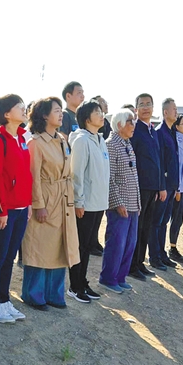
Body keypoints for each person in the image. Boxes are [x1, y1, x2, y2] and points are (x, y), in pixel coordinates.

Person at [21, 97, 80, 310]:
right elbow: (33, 176)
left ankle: (54, 293)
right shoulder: (36, 143)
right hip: (46, 197)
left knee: (59, 247)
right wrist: (39, 204)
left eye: (60, 110)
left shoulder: (62, 140)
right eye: (56, 110)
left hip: (63, 199)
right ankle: (33, 294)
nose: (61, 113)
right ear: (45, 115)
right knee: (39, 246)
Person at [0, 95, 31, 324]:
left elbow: (26, 173)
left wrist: (28, 203)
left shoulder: (21, 137)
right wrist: (1, 210)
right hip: (6, 210)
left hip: (21, 208)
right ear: (6, 114)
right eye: (19, 107)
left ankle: (4, 299)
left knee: (10, 256)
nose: (24, 109)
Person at [67, 101, 110, 303]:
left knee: (88, 246)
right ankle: (75, 286)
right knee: (81, 246)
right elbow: (76, 174)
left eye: (101, 111)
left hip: (99, 202)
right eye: (96, 112)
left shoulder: (100, 139)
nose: (101, 115)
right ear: (86, 118)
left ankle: (83, 282)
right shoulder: (81, 140)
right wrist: (79, 201)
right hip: (85, 204)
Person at [100, 110, 141, 292]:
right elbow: (109, 178)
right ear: (119, 125)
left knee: (130, 243)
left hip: (133, 204)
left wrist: (138, 202)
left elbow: (134, 175)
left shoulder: (127, 144)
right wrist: (117, 202)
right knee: (117, 243)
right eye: (130, 121)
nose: (133, 125)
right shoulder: (111, 145)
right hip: (120, 205)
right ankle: (108, 278)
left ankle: (120, 276)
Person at [128, 93, 166, 280]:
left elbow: (159, 160)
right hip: (139, 187)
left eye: (148, 104)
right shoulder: (135, 130)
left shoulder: (153, 131)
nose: (145, 107)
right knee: (138, 227)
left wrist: (160, 186)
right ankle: (132, 265)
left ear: (153, 107)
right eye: (141, 104)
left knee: (146, 227)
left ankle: (140, 262)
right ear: (136, 109)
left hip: (153, 188)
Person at [150, 98, 181, 269]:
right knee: (156, 222)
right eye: (174, 109)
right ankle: (154, 256)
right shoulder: (159, 132)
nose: (176, 112)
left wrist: (176, 186)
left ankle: (162, 254)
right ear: (165, 112)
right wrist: (161, 186)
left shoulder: (171, 132)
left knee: (164, 222)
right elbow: (159, 163)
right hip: (163, 186)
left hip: (172, 186)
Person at [168, 114, 183, 262]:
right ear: (176, 126)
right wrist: (179, 189)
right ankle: (172, 248)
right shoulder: (176, 144)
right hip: (178, 189)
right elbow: (177, 168)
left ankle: (173, 247)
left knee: (179, 219)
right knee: (176, 219)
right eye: (182, 124)